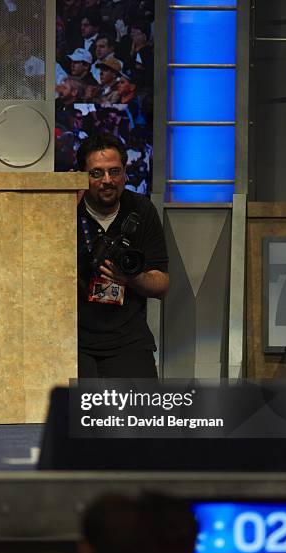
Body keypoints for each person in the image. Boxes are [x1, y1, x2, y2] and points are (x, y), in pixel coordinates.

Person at [76, 134, 169, 378]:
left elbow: (161, 285)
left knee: (141, 413)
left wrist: (130, 278)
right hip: (73, 340)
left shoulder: (141, 209)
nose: (107, 180)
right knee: (76, 413)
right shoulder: (67, 210)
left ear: (125, 172)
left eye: (114, 171)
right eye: (96, 173)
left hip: (128, 339)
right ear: (82, 176)